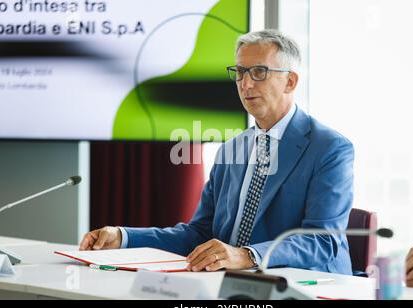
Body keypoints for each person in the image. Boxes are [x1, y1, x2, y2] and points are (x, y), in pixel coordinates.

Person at [80, 29, 355, 275]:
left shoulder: (329, 148)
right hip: (232, 283)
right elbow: (198, 234)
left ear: (290, 82)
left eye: (258, 72)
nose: (245, 84)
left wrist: (246, 255)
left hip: (308, 285)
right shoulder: (231, 149)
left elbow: (321, 241)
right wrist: (123, 237)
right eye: (239, 72)